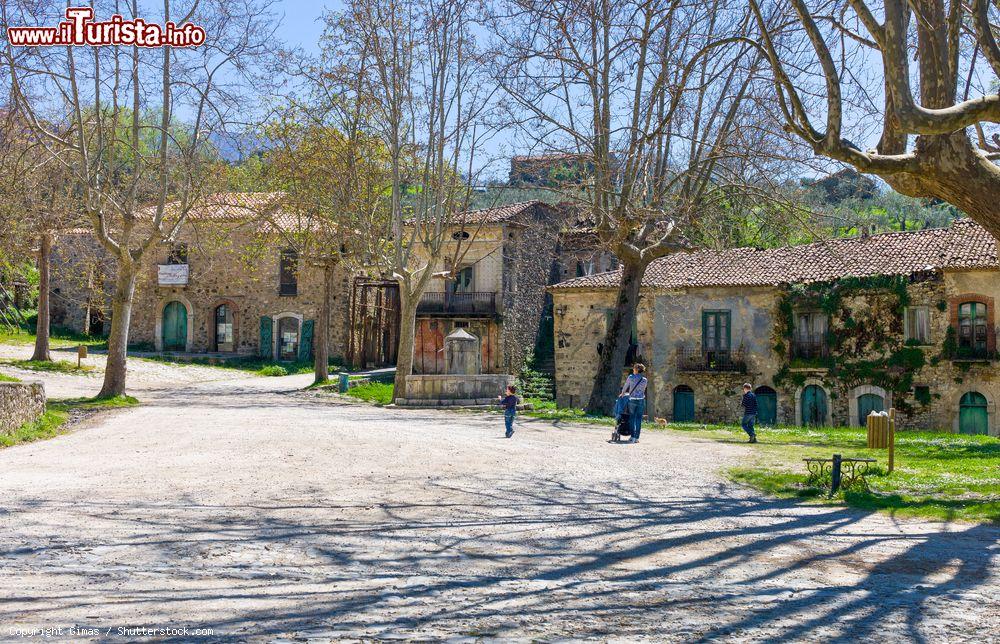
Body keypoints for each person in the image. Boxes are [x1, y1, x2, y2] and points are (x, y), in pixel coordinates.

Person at [620, 363, 648, 443]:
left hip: (632, 399)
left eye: (634, 368)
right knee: (639, 419)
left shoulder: (631, 377)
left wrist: (622, 393)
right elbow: (643, 389)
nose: (633, 370)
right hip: (641, 400)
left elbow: (626, 386)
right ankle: (637, 438)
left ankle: (632, 436)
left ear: (637, 369)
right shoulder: (644, 380)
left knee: (632, 418)